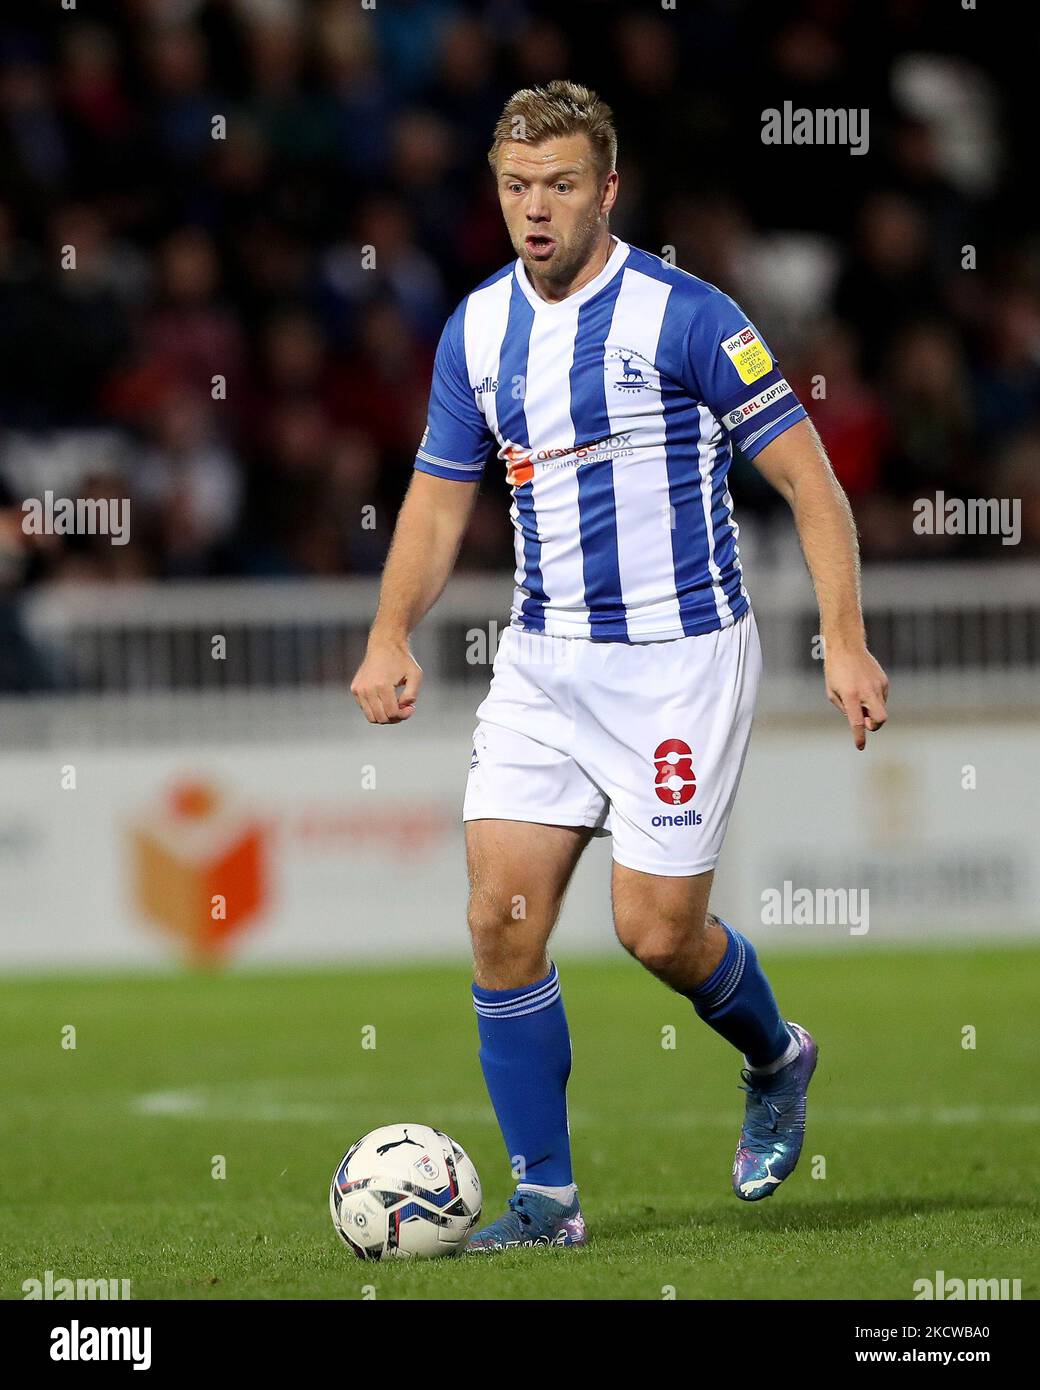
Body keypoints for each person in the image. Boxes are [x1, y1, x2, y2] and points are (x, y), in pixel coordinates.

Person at [351, 81, 889, 1251]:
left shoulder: (688, 316)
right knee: (498, 920)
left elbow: (808, 482)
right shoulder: (475, 330)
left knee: (654, 931)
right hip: (543, 665)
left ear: (605, 189)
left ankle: (774, 1054)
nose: (534, 209)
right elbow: (436, 502)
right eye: (514, 187)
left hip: (678, 664)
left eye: (557, 185)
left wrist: (841, 638)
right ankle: (545, 1201)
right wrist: (389, 631)